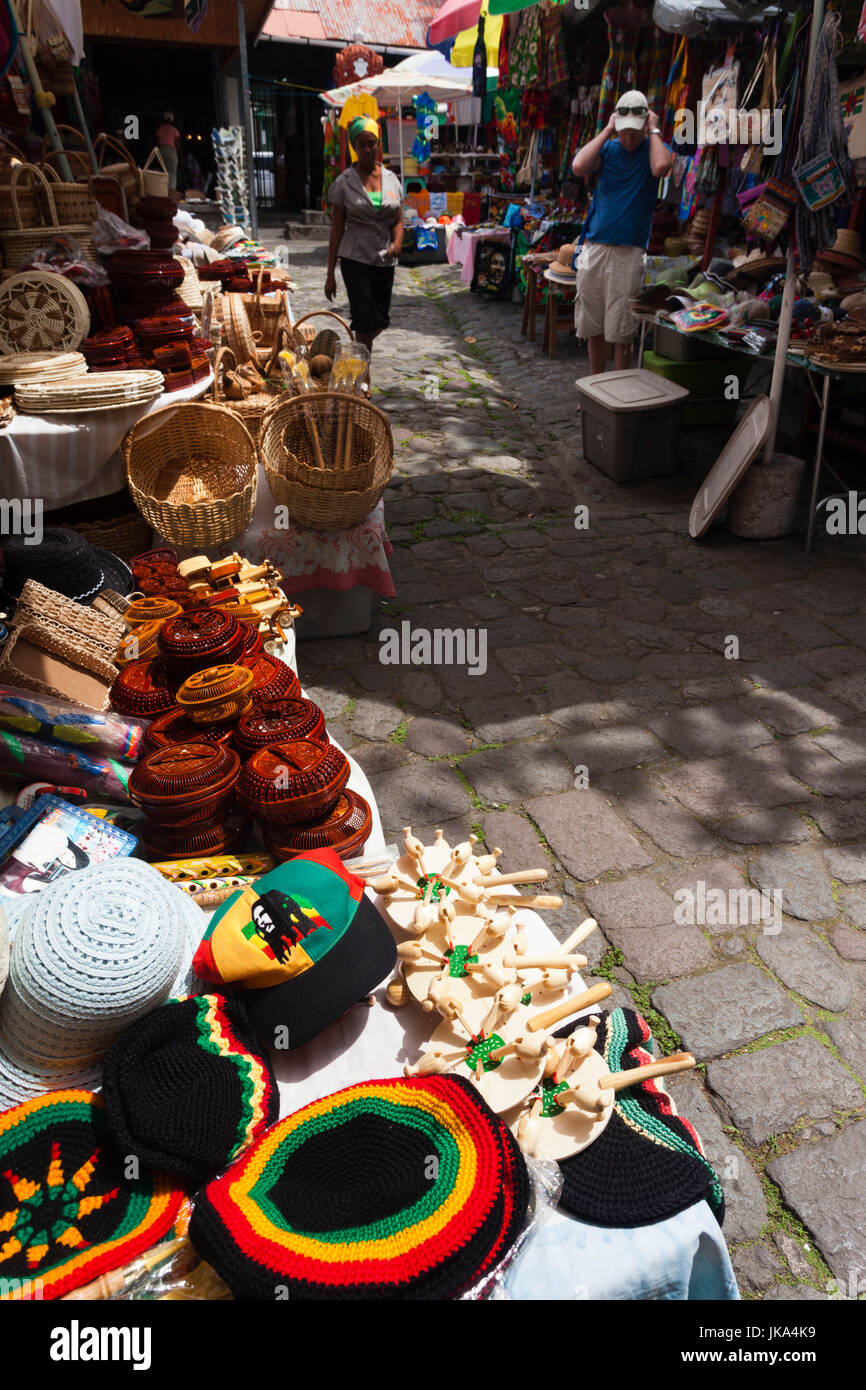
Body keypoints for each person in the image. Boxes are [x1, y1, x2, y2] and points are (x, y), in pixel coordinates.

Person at [571, 90, 673, 374]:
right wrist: (607, 129)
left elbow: (662, 166)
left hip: (628, 251)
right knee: (592, 324)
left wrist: (653, 128)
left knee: (621, 330)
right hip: (594, 246)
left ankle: (617, 390)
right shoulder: (608, 149)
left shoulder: (652, 148)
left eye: (634, 132)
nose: (628, 138)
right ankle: (595, 388)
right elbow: (578, 166)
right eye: (624, 132)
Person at [325, 117, 404, 353]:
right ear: (354, 147)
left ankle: (356, 349)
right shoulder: (344, 183)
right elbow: (337, 230)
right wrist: (330, 274)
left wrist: (397, 243)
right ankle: (363, 375)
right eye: (362, 144)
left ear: (379, 144)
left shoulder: (392, 180)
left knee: (380, 319)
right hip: (355, 258)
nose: (368, 149)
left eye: (372, 143)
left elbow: (398, 220)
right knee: (364, 315)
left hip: (384, 258)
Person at [155, 109, 182, 192]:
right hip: (171, 152)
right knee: (172, 173)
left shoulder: (159, 129)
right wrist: (181, 156)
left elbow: (157, 143)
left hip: (161, 151)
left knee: (163, 172)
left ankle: (162, 191)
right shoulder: (174, 130)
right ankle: (171, 192)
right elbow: (178, 145)